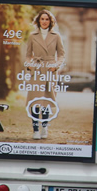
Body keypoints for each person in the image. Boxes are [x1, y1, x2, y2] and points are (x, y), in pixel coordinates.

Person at [23, 9, 66, 139]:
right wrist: (30, 65)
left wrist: (56, 66)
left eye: (47, 19)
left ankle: (45, 128)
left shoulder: (56, 36)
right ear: (38, 20)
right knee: (35, 101)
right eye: (42, 19)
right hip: (36, 70)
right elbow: (28, 55)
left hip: (50, 70)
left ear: (50, 21)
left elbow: (62, 54)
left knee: (46, 101)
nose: (44, 21)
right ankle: (35, 129)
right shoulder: (32, 36)